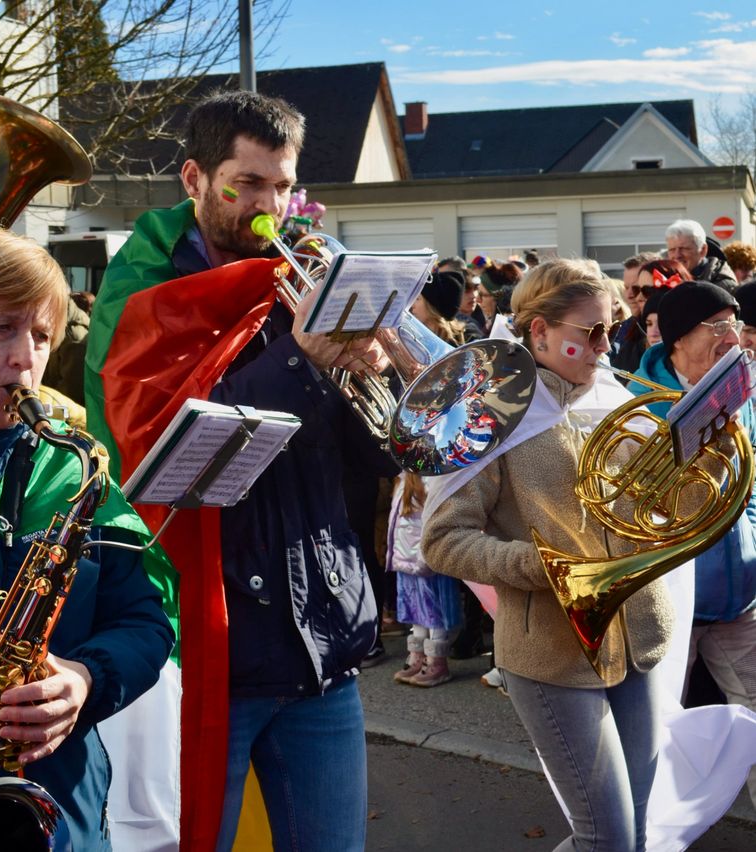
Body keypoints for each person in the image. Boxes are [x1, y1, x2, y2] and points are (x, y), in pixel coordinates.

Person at [85, 89, 400, 851]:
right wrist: (302, 358)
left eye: (284, 186)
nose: (270, 208)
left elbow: (371, 458)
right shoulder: (143, 289)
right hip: (208, 644)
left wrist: (372, 378)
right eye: (249, 184)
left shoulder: (304, 276)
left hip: (318, 638)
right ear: (195, 180)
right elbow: (174, 439)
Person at [0, 225, 175, 851]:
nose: (27, 357)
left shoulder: (74, 464)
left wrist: (85, 679)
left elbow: (143, 621)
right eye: (1, 328)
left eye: (43, 335)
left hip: (56, 816)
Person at [421, 257, 681, 851]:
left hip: (637, 635)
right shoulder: (493, 418)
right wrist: (543, 566)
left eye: (610, 329)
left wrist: (699, 449)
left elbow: (660, 504)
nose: (604, 345)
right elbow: (441, 539)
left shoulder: (616, 396)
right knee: (607, 838)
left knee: (635, 834)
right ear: (538, 333)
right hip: (550, 650)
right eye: (588, 333)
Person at [628, 281, 756, 810]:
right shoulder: (634, 400)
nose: (734, 336)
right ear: (680, 338)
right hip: (667, 601)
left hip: (739, 596)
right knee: (654, 729)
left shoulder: (743, 384)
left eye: (735, 324)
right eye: (719, 326)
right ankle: (645, 832)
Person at [388, 274, 464, 687]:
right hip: (412, 478)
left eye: (418, 304)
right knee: (412, 580)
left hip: (435, 474)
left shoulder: (443, 352)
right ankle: (418, 652)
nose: (412, 310)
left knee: (433, 582)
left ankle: (437, 657)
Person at [665, 219, 737, 292]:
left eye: (684, 248)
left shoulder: (722, 285)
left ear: (703, 249)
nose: (677, 255)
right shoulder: (663, 279)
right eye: (672, 250)